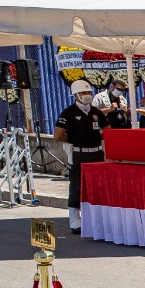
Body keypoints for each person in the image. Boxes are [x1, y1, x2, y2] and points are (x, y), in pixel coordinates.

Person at [54, 84, 110, 233]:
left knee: (98, 186)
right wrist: (75, 139)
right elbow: (58, 135)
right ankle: (74, 218)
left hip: (97, 153)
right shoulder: (68, 113)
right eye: (83, 92)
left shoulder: (96, 112)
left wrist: (94, 136)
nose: (87, 94)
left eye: (88, 92)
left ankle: (96, 218)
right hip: (78, 153)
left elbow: (108, 131)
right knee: (77, 185)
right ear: (76, 94)